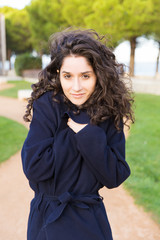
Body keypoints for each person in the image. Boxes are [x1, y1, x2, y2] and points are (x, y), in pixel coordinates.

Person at [21, 28, 134, 240]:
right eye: (67, 76)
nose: (76, 87)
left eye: (85, 76)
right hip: (47, 219)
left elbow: (115, 175)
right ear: (58, 74)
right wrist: (78, 136)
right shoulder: (47, 104)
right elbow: (34, 167)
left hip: (89, 220)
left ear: (98, 75)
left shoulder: (109, 110)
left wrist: (89, 135)